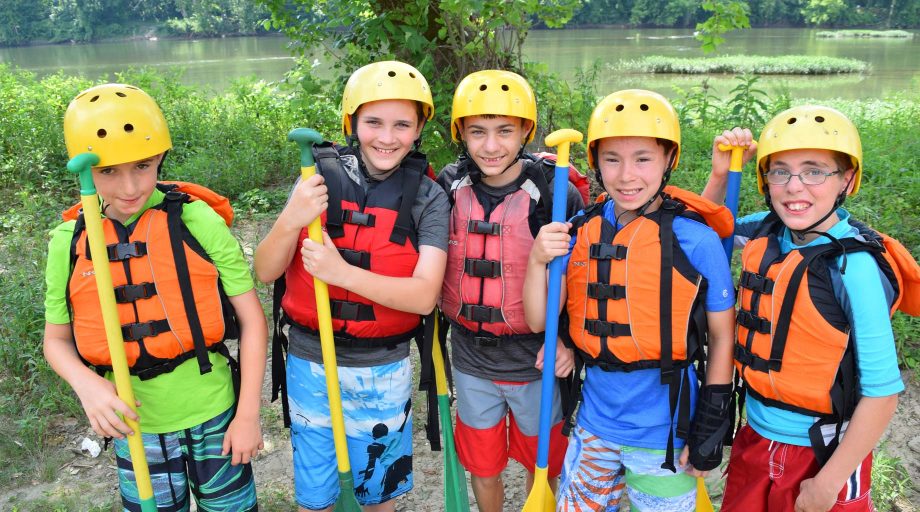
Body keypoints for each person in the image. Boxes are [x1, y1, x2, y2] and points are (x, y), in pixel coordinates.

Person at [43, 83, 267, 511]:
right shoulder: (66, 242)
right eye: (108, 171)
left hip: (216, 414)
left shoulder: (196, 219)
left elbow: (252, 320)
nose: (129, 187)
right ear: (84, 170)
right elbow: (55, 341)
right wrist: (87, 384)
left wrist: (248, 415)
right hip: (137, 426)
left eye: (142, 166)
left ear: (161, 156)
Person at [523, 89, 737, 511]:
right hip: (593, 425)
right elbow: (538, 320)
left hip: (667, 435)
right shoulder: (579, 230)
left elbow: (722, 339)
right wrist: (536, 261)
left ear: (668, 161)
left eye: (643, 159)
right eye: (612, 160)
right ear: (596, 164)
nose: (626, 175)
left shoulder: (697, 239)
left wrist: (712, 424)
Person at [253, 60, 450, 512]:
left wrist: (341, 274)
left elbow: (423, 297)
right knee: (316, 498)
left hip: (382, 369)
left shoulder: (428, 197)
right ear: (352, 124)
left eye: (402, 124)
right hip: (309, 360)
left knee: (378, 494)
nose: (387, 136)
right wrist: (292, 218)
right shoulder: (313, 181)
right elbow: (265, 271)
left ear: (419, 129)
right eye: (373, 122)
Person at [704, 106, 914, 512]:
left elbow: (883, 394)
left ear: (847, 179)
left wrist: (828, 483)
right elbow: (701, 236)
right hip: (754, 438)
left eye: (815, 170)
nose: (793, 186)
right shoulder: (766, 230)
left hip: (824, 453)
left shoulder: (855, 268)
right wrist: (719, 175)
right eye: (779, 170)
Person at [435, 69, 584, 511]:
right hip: (470, 358)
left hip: (536, 360)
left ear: (526, 132)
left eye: (505, 131)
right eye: (477, 132)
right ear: (461, 133)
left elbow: (582, 281)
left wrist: (570, 341)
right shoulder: (448, 186)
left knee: (544, 466)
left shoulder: (554, 193)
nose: (491, 146)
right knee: (483, 466)